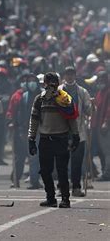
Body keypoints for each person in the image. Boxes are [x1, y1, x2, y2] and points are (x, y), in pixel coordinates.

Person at [28, 72, 80, 208]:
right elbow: (33, 120)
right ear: (44, 84)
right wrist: (31, 139)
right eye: (48, 82)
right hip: (45, 139)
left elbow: (72, 118)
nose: (51, 85)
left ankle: (65, 199)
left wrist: (75, 135)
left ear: (57, 83)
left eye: (53, 82)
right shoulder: (39, 100)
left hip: (61, 138)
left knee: (62, 170)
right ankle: (50, 197)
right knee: (45, 171)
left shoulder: (64, 99)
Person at [62, 66, 92, 196]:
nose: (69, 76)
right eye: (67, 74)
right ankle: (62, 188)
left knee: (76, 162)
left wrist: (92, 105)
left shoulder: (82, 92)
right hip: (61, 131)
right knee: (61, 162)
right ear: (64, 76)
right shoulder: (58, 91)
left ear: (75, 75)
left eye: (72, 74)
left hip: (78, 132)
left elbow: (88, 111)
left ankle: (76, 188)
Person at [93, 71, 110, 181]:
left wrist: (106, 122)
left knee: (107, 150)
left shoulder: (108, 92)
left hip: (105, 125)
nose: (100, 82)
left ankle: (107, 173)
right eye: (99, 80)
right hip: (98, 124)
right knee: (101, 150)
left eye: (102, 79)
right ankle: (105, 170)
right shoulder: (100, 92)